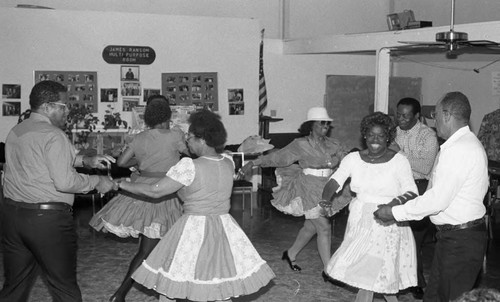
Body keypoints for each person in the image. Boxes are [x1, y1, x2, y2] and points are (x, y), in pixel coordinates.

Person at [113, 110, 275, 302]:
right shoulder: (228, 161)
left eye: (189, 136)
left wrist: (119, 184)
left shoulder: (189, 166)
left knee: (172, 282)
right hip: (223, 227)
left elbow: (156, 191)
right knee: (217, 279)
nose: (187, 141)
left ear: (202, 140)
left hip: (194, 228)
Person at [0, 80, 115, 302]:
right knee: (64, 289)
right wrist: (97, 181)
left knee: (14, 287)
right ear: (47, 107)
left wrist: (87, 159)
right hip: (47, 222)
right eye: (63, 106)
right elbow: (65, 182)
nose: (67, 110)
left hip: (13, 218)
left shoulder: (18, 130)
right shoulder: (54, 135)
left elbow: (46, 159)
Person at [374, 91, 489, 302]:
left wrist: (394, 212)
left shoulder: (460, 149)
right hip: (453, 238)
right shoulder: (464, 144)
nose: (435, 122)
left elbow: (437, 200)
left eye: (435, 115)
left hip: (461, 240)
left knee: (450, 297)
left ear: (446, 115)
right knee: (434, 296)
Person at [89, 95, 188, 302]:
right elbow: (189, 153)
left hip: (140, 190)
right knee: (147, 250)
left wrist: (143, 160)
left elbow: (122, 162)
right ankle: (120, 294)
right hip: (165, 193)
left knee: (157, 246)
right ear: (168, 114)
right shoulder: (175, 135)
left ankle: (164, 290)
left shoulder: (140, 137)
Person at [321, 111, 418, 302]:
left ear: (388, 138)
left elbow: (412, 192)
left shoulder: (399, 161)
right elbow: (336, 180)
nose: (375, 140)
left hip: (387, 220)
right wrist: (326, 198)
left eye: (381, 136)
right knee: (374, 276)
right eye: (371, 135)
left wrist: (391, 205)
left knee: (374, 274)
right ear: (364, 135)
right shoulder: (353, 159)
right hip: (360, 219)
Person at [240, 106, 349, 273]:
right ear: (311, 125)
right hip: (308, 188)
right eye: (322, 123)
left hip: (328, 186)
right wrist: (253, 162)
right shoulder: (300, 144)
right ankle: (329, 270)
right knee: (324, 227)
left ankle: (290, 254)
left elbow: (348, 161)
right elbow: (278, 157)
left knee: (310, 227)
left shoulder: (334, 144)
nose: (326, 126)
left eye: (328, 123)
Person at [391, 97, 439, 299]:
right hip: (394, 188)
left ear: (417, 116)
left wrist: (398, 152)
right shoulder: (392, 132)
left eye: (405, 115)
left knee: (414, 239)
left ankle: (416, 282)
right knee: (396, 238)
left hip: (418, 188)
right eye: (398, 114)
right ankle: (399, 281)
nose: (400, 119)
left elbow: (424, 166)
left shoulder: (427, 135)